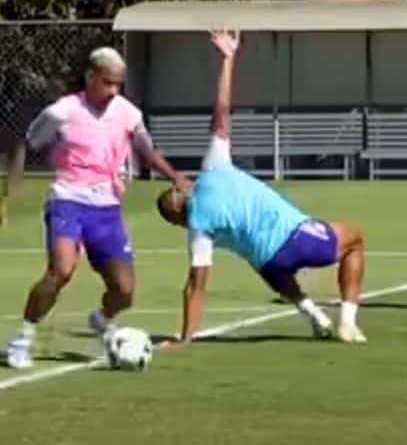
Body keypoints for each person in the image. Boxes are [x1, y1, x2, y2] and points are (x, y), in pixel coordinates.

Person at [155, 30, 367, 344]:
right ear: (183, 191)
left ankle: (316, 317)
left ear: (176, 221)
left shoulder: (198, 230)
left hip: (270, 265)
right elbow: (222, 111)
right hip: (294, 237)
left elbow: (195, 285)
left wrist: (186, 338)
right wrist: (228, 58)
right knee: (353, 239)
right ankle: (347, 322)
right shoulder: (213, 169)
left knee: (271, 270)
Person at [0, 46, 190, 369]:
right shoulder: (63, 111)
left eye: (118, 85)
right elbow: (26, 143)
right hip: (67, 199)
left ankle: (102, 319)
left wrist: (174, 176)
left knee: (124, 290)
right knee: (61, 271)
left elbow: (146, 150)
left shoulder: (128, 113)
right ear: (90, 77)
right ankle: (23, 337)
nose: (113, 91)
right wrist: (6, 193)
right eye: (108, 83)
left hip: (107, 207)